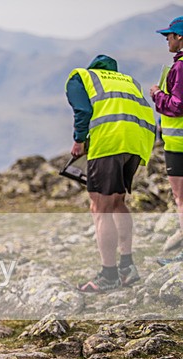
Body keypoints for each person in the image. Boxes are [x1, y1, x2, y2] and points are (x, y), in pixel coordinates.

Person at [65, 55, 156, 292]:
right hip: (135, 144)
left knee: (100, 207)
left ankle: (109, 274)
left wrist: (79, 140)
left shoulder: (81, 77)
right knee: (118, 202)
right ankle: (127, 267)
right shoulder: (128, 81)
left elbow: (83, 110)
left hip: (108, 144)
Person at [151, 16, 183, 266]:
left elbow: (177, 105)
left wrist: (157, 95)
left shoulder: (180, 67)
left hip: (179, 146)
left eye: (169, 36)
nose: (167, 41)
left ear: (179, 37)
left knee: (181, 198)